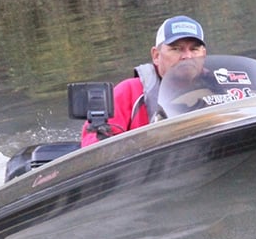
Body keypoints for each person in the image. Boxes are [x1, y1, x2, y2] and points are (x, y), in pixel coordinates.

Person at [80, 15, 208, 146]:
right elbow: (93, 145)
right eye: (176, 49)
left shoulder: (221, 86)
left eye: (194, 49)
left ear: (204, 54)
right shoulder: (129, 92)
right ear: (156, 56)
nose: (187, 56)